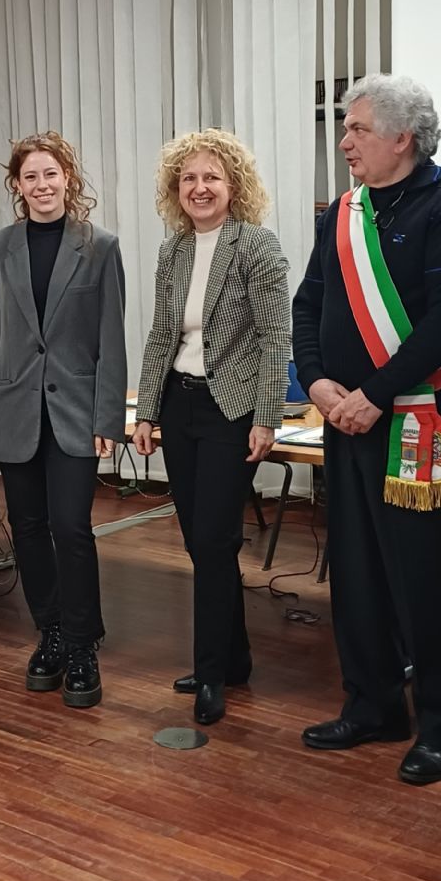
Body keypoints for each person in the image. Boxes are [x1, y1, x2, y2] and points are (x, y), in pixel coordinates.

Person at [292, 75, 441, 787]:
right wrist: (316, 381)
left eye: (357, 129)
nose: (344, 142)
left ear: (403, 138)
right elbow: (309, 303)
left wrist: (374, 395)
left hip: (417, 422)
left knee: (425, 579)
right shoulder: (343, 213)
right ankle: (371, 704)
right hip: (345, 420)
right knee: (355, 572)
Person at [129, 130, 291, 726]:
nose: (200, 188)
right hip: (180, 405)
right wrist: (146, 412)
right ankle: (235, 658)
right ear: (176, 189)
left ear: (233, 185)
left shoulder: (256, 245)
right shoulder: (173, 249)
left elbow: (275, 338)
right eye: (189, 178)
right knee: (201, 542)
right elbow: (160, 336)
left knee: (216, 540)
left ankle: (211, 673)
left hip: (232, 409)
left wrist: (268, 417)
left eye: (212, 177)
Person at [0, 132, 126, 709]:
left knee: (72, 527)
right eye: (30, 177)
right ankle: (50, 633)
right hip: (13, 410)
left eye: (50, 174)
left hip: (75, 412)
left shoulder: (99, 247)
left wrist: (109, 418)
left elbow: (111, 341)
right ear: (17, 185)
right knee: (28, 528)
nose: (42, 186)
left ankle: (82, 644)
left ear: (67, 179)